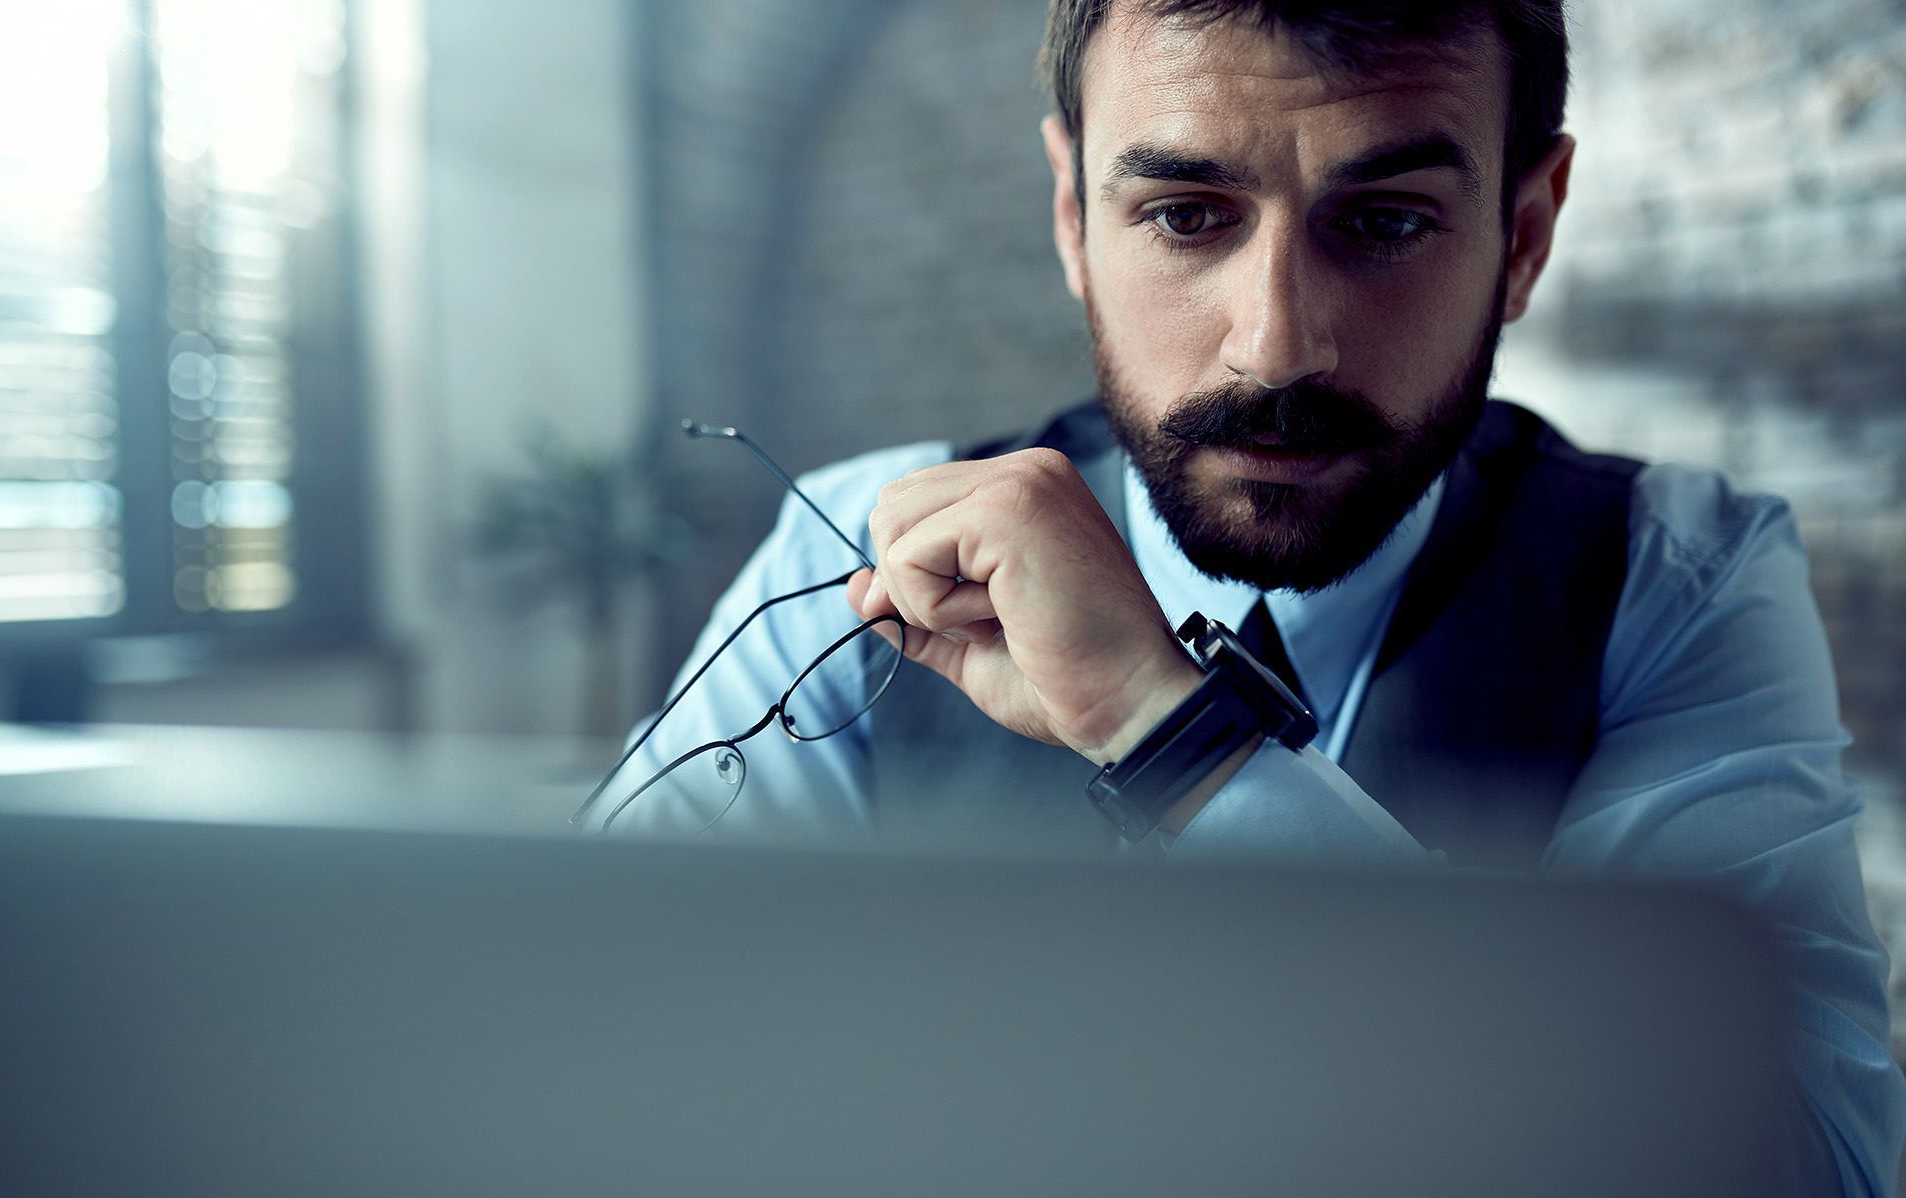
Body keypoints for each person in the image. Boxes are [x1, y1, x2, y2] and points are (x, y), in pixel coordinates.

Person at [594, 1, 1904, 1190]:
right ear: (1073, 220)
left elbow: (1805, 1169)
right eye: (1184, 214)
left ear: (1524, 233)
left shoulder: (1678, 575)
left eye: (1384, 221)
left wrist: (1178, 736)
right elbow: (588, 1068)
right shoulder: (855, 553)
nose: (1277, 343)